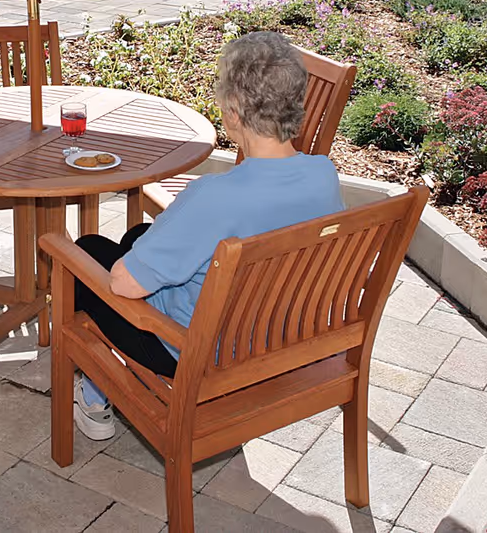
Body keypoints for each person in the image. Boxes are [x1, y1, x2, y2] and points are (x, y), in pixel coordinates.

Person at [70, 31, 344, 440]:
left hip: (193, 350)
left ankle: (94, 395)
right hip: (270, 335)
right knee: (139, 236)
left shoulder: (214, 196)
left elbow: (123, 285)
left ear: (233, 111)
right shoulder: (323, 174)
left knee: (87, 252)